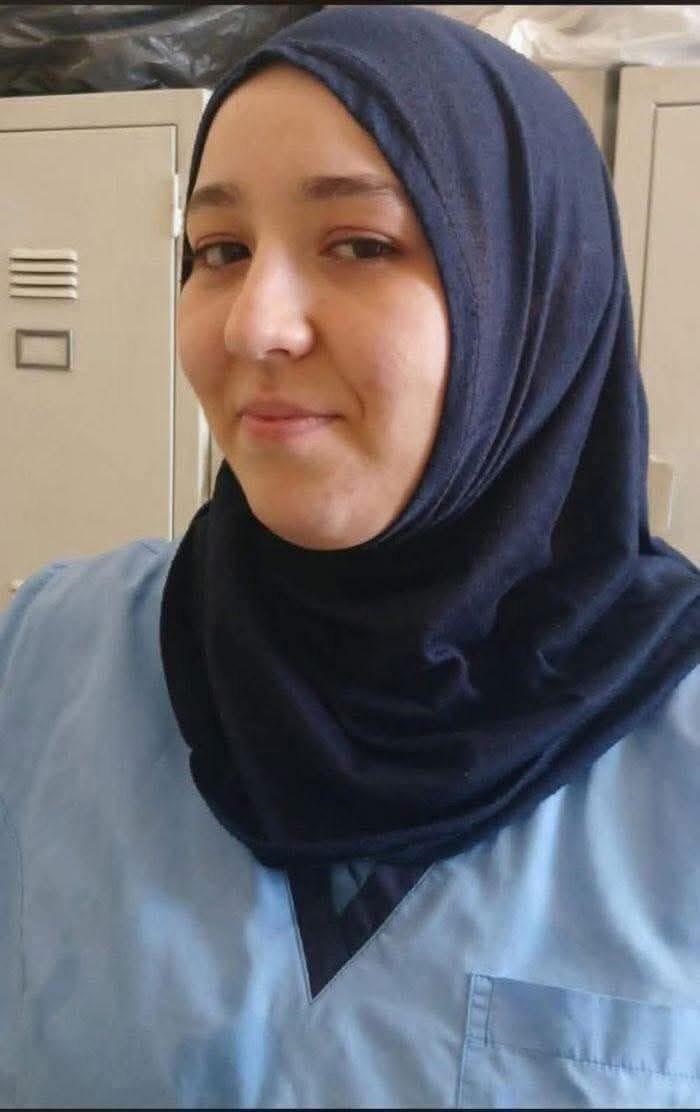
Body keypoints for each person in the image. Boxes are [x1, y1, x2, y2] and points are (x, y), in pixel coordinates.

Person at [1, 5, 699, 1107]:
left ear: (533, 293)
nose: (253, 325)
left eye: (361, 245)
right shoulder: (49, 657)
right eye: (220, 251)